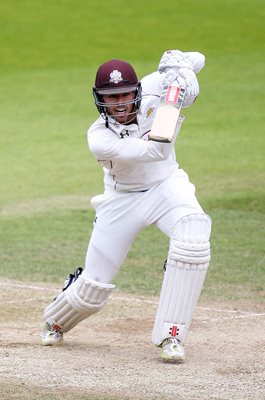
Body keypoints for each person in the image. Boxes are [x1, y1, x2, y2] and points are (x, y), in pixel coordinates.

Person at [41, 50, 211, 363]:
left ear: (137, 91)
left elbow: (197, 58)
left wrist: (178, 68)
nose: (120, 103)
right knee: (92, 292)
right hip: (122, 200)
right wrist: (173, 103)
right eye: (111, 97)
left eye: (125, 94)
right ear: (100, 100)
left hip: (167, 187)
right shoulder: (99, 138)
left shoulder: (153, 86)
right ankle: (56, 317)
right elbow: (157, 151)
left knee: (194, 240)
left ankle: (172, 336)